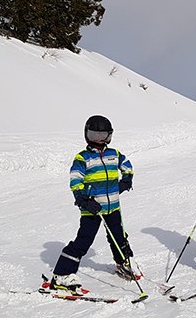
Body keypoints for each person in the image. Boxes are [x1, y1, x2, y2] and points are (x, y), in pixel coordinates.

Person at [47, 115, 137, 292]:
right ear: (87, 135)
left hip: (113, 207)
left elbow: (127, 166)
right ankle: (62, 275)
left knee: (118, 237)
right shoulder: (83, 158)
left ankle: (122, 263)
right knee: (84, 241)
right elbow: (75, 180)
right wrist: (83, 199)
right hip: (92, 210)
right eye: (95, 135)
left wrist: (127, 179)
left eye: (104, 135)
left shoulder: (114, 154)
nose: (100, 140)